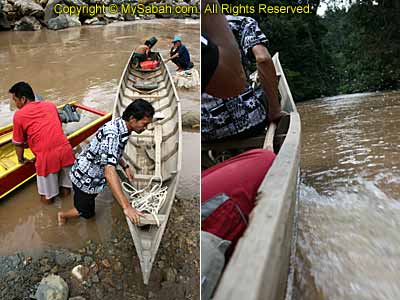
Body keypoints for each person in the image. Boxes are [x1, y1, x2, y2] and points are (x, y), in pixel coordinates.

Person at [57, 99, 154, 226]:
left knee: (89, 205)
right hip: (84, 177)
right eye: (144, 124)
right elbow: (109, 172)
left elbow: (113, 152)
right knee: (84, 212)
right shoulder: (112, 134)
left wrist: (125, 165)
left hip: (94, 175)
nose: (146, 128)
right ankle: (62, 215)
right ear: (132, 119)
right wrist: (127, 207)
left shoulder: (122, 126)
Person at [201, 0, 286, 142]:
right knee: (265, 89)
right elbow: (263, 59)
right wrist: (275, 109)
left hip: (207, 134)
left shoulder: (201, 36)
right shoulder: (242, 23)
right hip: (251, 123)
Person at [10, 82, 75, 204]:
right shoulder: (50, 106)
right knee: (66, 187)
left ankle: (50, 218)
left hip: (46, 158)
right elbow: (54, 128)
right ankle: (66, 206)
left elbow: (18, 143)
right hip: (66, 150)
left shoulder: (19, 115)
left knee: (47, 196)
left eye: (15, 100)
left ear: (23, 99)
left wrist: (21, 159)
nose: (15, 104)